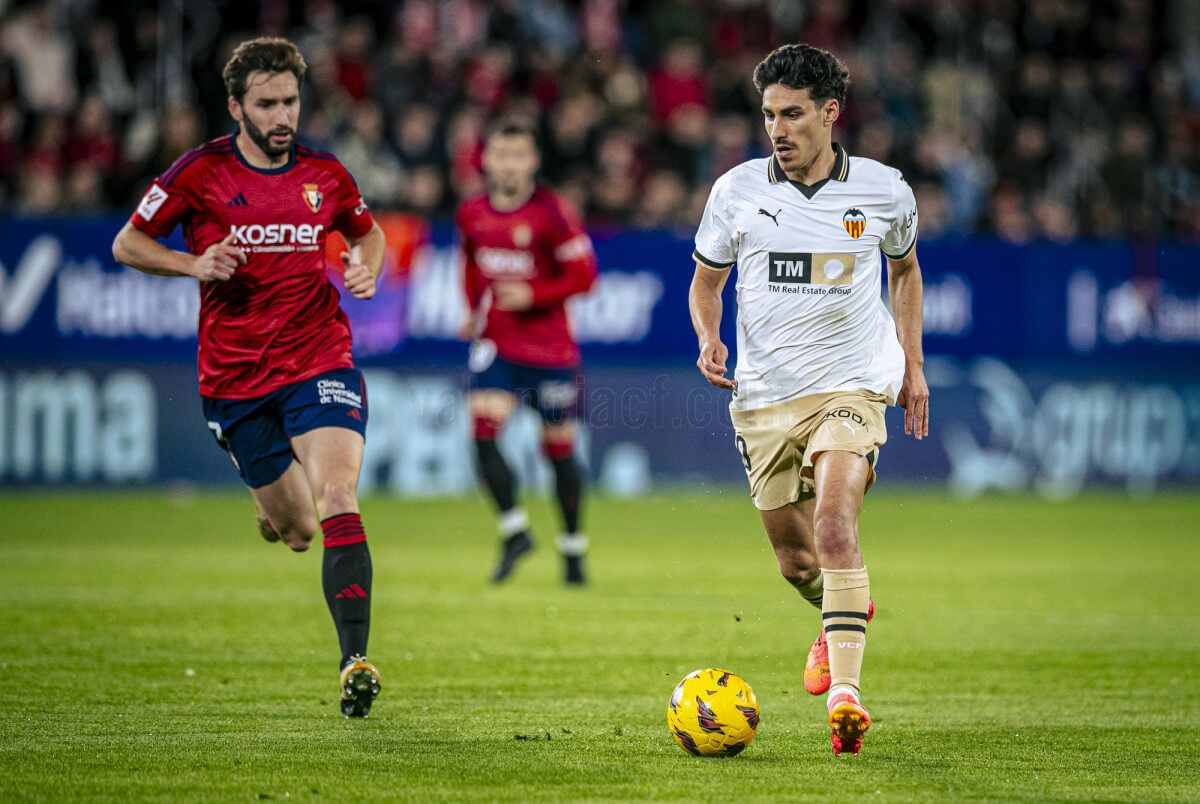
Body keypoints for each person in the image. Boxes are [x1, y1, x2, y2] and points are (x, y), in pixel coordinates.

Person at [111, 37, 386, 718]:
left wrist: (366, 265)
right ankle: (270, 508)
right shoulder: (198, 172)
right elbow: (128, 242)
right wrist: (193, 265)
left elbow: (366, 232)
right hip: (234, 378)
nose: (282, 114)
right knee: (297, 530)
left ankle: (355, 660)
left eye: (290, 100)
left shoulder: (325, 171)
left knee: (337, 496)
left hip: (319, 354)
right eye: (266, 103)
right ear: (236, 106)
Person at [688, 44, 930, 755]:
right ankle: (836, 616)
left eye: (792, 113)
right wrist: (708, 336)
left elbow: (906, 272)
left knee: (833, 522)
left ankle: (848, 702)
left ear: (830, 113)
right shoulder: (735, 192)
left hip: (852, 386)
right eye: (769, 115)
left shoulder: (885, 191)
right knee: (798, 563)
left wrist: (911, 366)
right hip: (762, 397)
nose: (778, 129)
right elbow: (706, 283)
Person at [455, 118, 598, 585]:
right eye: (502, 155)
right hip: (499, 346)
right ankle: (514, 529)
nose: (510, 164)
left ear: (533, 161)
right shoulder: (473, 212)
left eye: (519, 155)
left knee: (557, 451)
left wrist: (532, 294)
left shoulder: (552, 213)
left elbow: (584, 276)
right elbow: (472, 267)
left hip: (551, 351)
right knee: (481, 433)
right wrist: (473, 312)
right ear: (487, 159)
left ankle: (573, 548)